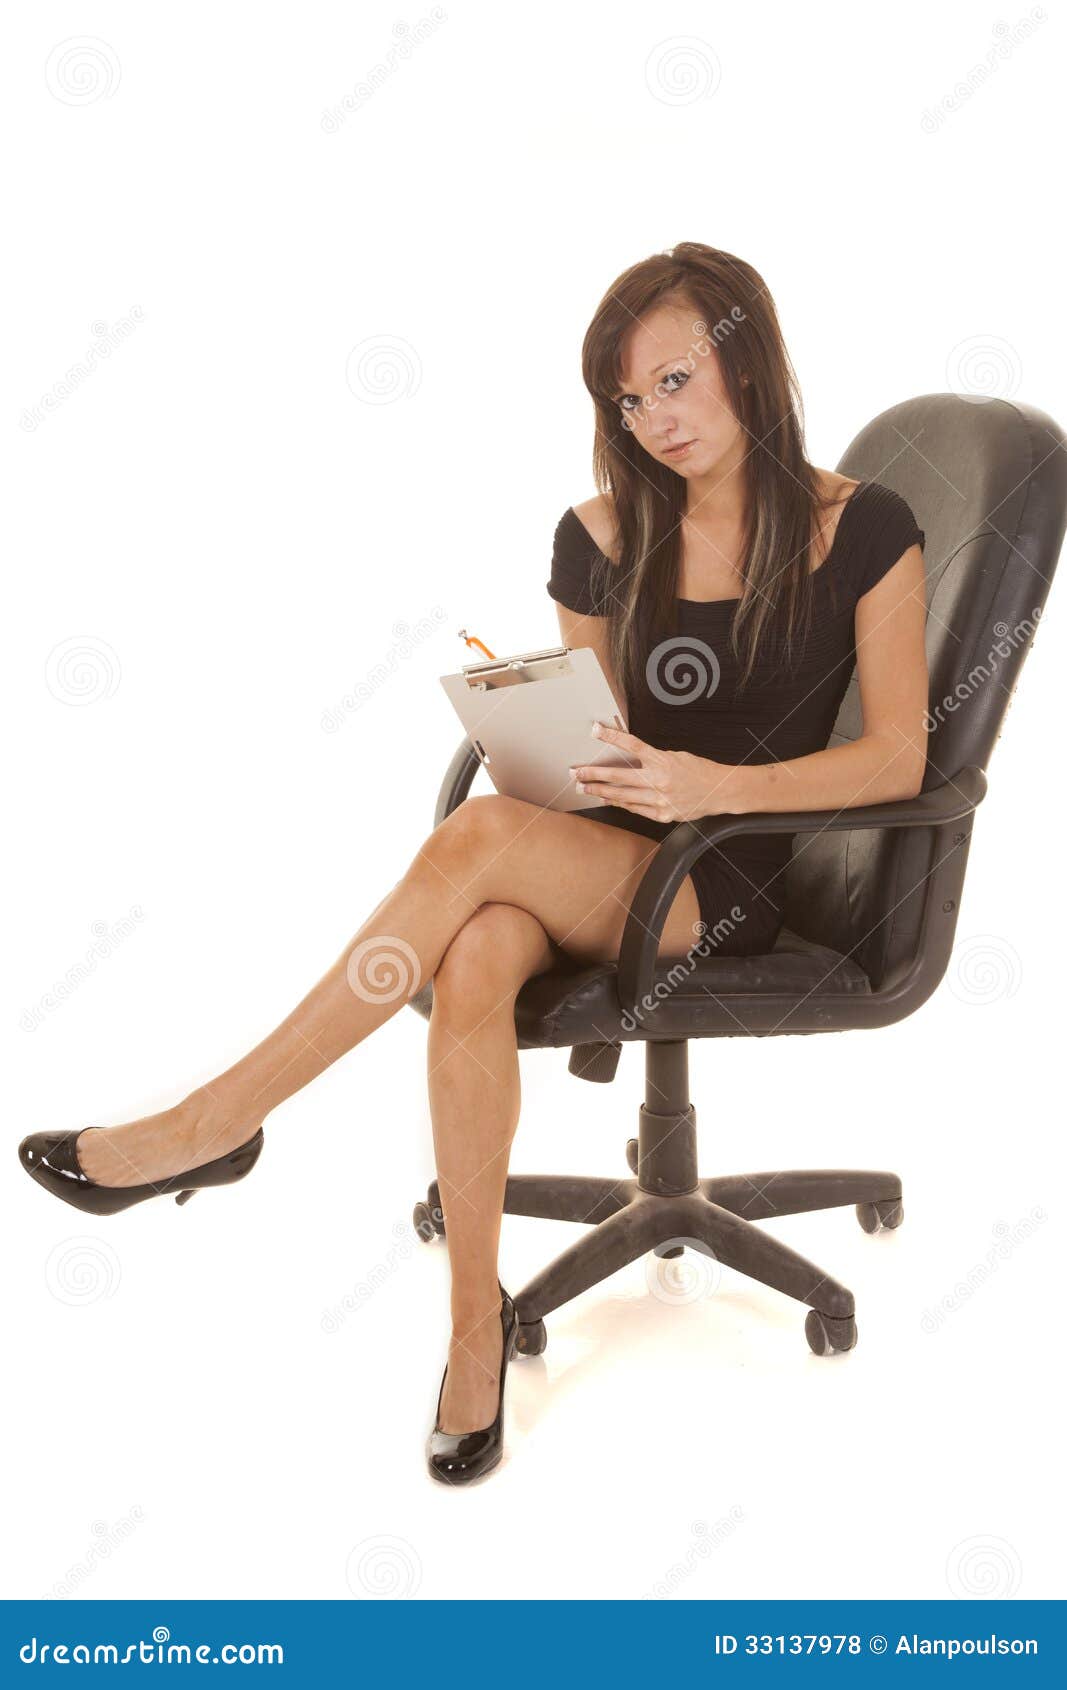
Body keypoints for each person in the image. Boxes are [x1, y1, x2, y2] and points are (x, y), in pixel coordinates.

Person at [18, 240, 928, 1485]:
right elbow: (596, 751)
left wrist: (712, 786)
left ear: (747, 360)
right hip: (602, 854)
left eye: (674, 380)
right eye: (627, 399)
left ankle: (214, 1121)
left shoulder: (860, 526)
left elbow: (895, 756)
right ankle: (469, 1333)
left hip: (724, 881)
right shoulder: (598, 533)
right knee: (481, 941)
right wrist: (543, 739)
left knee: (480, 842)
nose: (654, 420)